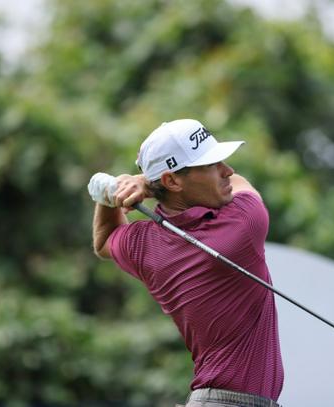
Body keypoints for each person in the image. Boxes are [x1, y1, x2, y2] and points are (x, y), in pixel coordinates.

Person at [88, 119, 284, 407]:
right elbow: (241, 185)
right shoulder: (242, 224)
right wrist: (144, 183)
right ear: (172, 181)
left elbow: (104, 240)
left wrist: (110, 195)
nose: (228, 171)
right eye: (211, 165)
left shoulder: (144, 244)